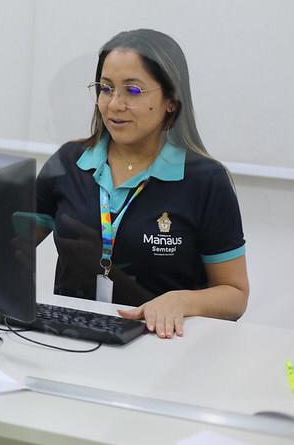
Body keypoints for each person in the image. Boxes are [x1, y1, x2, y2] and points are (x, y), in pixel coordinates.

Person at [35, 29, 249, 339]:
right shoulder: (69, 162)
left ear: (171, 101)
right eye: (106, 89)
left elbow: (235, 295)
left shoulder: (205, 179)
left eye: (133, 91)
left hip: (159, 348)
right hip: (69, 340)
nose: (114, 104)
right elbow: (9, 245)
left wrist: (183, 300)